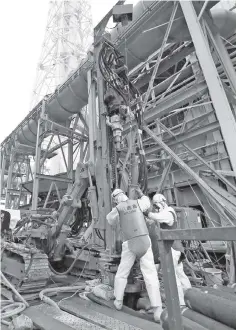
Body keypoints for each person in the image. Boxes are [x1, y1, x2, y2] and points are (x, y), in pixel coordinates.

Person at [106, 188, 163, 322]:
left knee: (122, 272)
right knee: (150, 274)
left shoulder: (117, 209)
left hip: (129, 242)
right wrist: (141, 193)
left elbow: (109, 220)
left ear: (115, 199)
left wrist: (117, 210)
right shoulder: (138, 203)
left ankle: (118, 301)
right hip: (144, 239)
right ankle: (157, 310)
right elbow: (147, 203)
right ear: (124, 195)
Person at [148, 193, 191, 306]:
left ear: (162, 202)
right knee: (180, 273)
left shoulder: (168, 213)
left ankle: (180, 303)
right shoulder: (165, 212)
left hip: (172, 249)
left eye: (157, 205)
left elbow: (157, 217)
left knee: (174, 277)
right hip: (175, 249)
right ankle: (190, 297)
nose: (156, 207)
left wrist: (147, 213)